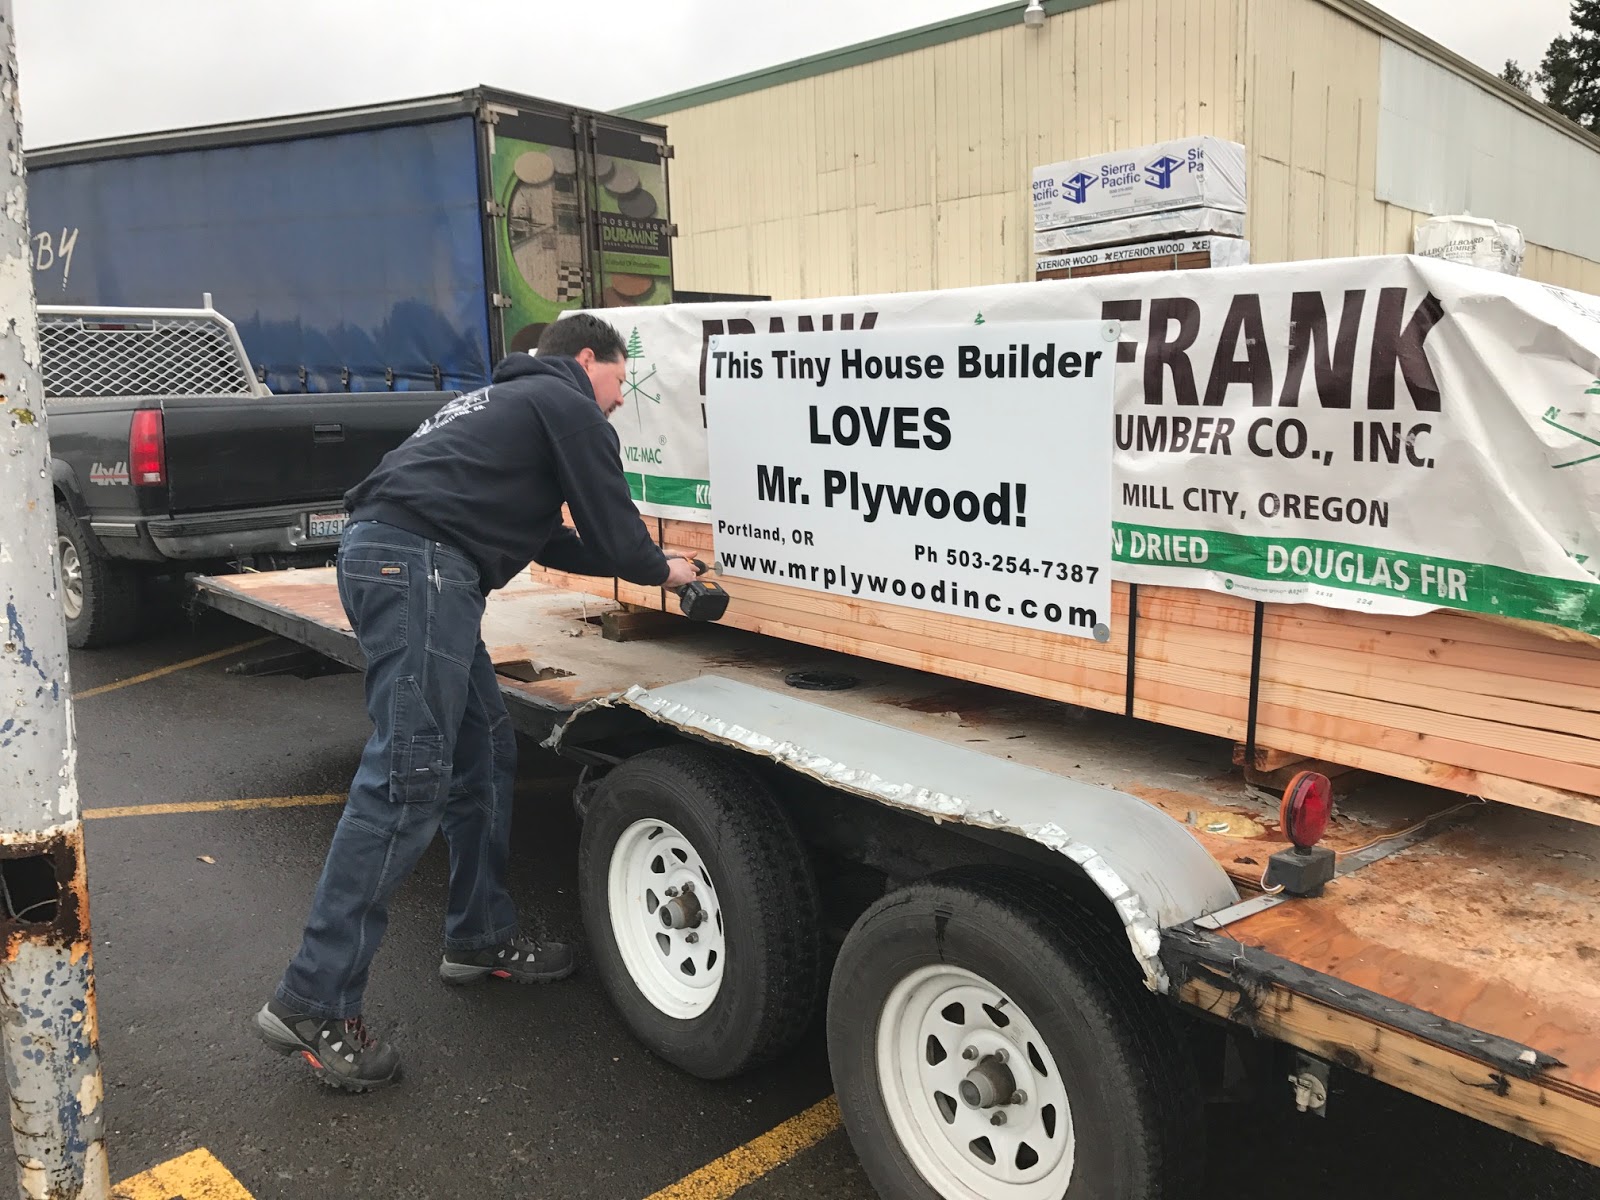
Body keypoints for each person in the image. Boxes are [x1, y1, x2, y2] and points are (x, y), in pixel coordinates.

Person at [254, 314, 701, 1092]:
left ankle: (480, 938)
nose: (622, 400)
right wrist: (674, 572)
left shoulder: (497, 403)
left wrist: (640, 558)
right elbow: (619, 538)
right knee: (408, 779)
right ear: (586, 359)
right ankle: (314, 999)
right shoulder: (566, 405)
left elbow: (558, 542)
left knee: (483, 750)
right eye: (622, 382)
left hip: (400, 558)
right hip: (420, 568)